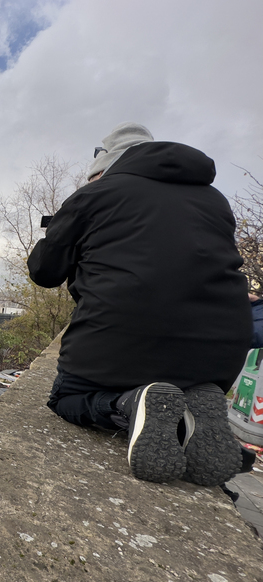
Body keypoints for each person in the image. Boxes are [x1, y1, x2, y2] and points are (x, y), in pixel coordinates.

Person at [27, 122, 251, 486]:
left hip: (121, 341)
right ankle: (193, 406)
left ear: (102, 169)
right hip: (217, 358)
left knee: (66, 397)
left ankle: (129, 405)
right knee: (180, 385)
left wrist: (62, 229)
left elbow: (44, 272)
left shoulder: (96, 194)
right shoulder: (216, 201)